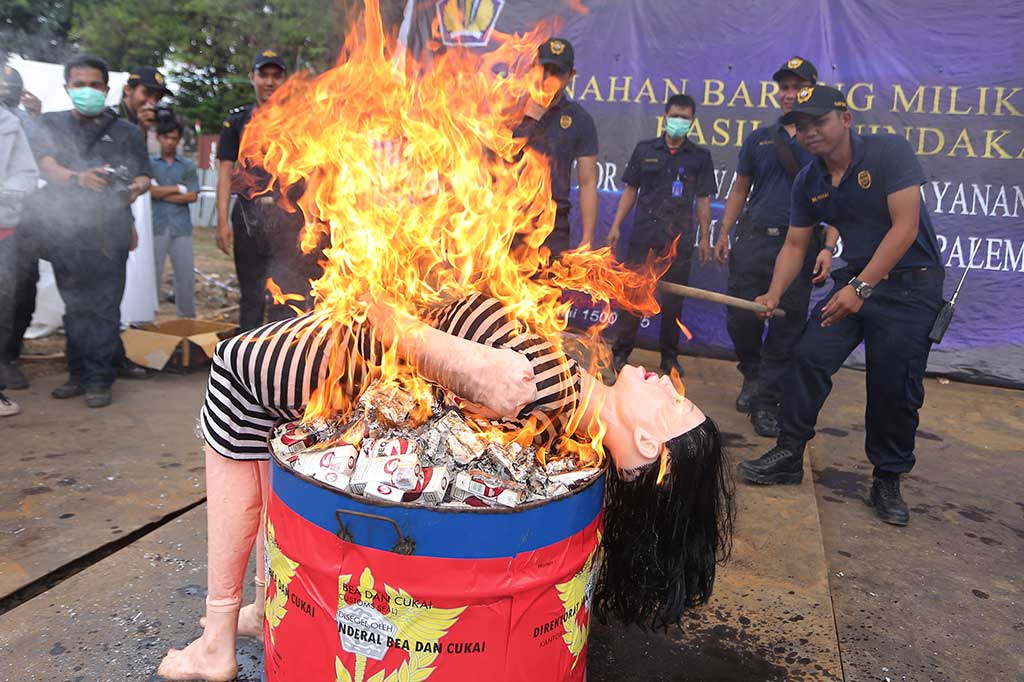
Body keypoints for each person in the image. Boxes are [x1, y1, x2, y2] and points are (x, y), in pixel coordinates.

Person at [157, 292, 734, 679]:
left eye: (676, 405)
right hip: (372, 356)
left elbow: (403, 334)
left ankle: (216, 642)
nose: (669, 384)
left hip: (356, 356)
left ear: (649, 452)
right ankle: (262, 604)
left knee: (235, 372)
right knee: (252, 418)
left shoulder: (549, 389)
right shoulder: (573, 416)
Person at [737, 85, 945, 527]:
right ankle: (790, 453)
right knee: (810, 355)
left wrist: (861, 288)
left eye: (821, 122)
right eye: (802, 125)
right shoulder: (808, 180)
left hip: (910, 289)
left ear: (845, 119)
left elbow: (905, 228)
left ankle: (887, 479)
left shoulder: (889, 152)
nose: (811, 132)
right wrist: (774, 293)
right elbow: (796, 244)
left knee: (893, 384)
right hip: (858, 283)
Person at [713, 56, 839, 437]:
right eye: (784, 88)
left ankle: (767, 401)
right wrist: (724, 231)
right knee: (741, 320)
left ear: (812, 92)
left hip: (800, 248)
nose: (788, 95)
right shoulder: (759, 139)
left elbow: (838, 199)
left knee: (786, 328)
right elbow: (740, 188)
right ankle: (752, 374)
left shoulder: (822, 142)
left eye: (797, 88)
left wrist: (828, 246)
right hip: (754, 243)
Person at [35, 55, 151, 408]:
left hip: (110, 233)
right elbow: (46, 166)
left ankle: (100, 379)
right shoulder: (50, 124)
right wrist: (78, 178)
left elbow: (145, 176)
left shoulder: (126, 131)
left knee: (104, 307)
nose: (88, 91)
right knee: (74, 306)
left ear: (106, 88)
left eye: (95, 85)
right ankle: (77, 374)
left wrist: (132, 189)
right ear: (67, 87)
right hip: (65, 231)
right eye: (79, 84)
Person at [605, 94, 715, 377]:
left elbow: (703, 200)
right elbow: (630, 190)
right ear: (665, 117)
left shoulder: (700, 157)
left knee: (673, 302)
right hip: (644, 237)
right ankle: (620, 353)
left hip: (678, 241)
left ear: (692, 122)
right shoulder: (645, 150)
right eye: (675, 116)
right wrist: (616, 225)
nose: (679, 122)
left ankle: (669, 358)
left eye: (685, 118)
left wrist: (705, 238)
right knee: (633, 296)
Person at [217, 49, 320, 331]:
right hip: (248, 217)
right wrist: (222, 221)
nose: (270, 82)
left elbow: (312, 173)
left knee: (286, 293)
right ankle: (246, 359)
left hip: (287, 217)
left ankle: (277, 361)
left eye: (277, 76)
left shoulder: (298, 122)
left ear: (285, 81)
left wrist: (310, 220)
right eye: (264, 75)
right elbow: (225, 172)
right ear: (252, 78)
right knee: (251, 294)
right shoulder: (237, 122)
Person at [513, 38, 599, 257]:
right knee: (494, 289)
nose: (548, 78)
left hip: (552, 226)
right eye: (544, 69)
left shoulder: (580, 120)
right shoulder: (510, 111)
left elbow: (588, 182)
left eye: (557, 72)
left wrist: (587, 237)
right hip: (506, 221)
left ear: (571, 76)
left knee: (546, 291)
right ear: (533, 68)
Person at [0, 65, 55, 391]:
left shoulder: (24, 124)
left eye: (11, 86)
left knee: (19, 290)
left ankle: (8, 356)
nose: (5, 90)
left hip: (22, 220)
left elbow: (36, 167)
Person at [0, 105, 39, 417]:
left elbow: (26, 174)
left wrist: (6, 193)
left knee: (3, 307)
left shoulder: (9, 122)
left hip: (3, 228)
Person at [150, 118, 199, 318]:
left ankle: (187, 320)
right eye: (166, 137)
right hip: (157, 225)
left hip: (181, 228)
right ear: (159, 138)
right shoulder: (149, 163)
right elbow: (149, 192)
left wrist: (161, 192)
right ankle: (146, 318)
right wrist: (178, 189)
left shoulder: (187, 165)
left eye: (174, 138)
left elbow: (192, 196)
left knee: (185, 275)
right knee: (152, 274)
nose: (170, 142)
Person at [119, 66, 169, 134]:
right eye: (148, 93)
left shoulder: (136, 119)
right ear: (128, 89)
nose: (153, 102)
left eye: (158, 97)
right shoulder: (111, 118)